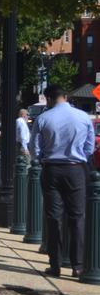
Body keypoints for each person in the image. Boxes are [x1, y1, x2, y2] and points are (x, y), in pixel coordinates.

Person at [29, 85, 94, 278]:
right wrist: (79, 155)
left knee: (53, 217)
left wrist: (41, 157)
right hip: (76, 169)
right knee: (76, 217)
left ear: (48, 98)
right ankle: (78, 265)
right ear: (66, 96)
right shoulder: (83, 117)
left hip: (52, 169)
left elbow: (33, 146)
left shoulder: (43, 118)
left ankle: (55, 265)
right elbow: (89, 147)